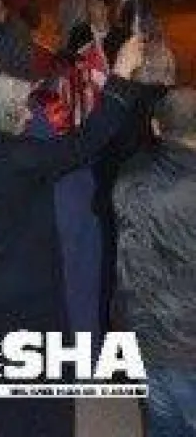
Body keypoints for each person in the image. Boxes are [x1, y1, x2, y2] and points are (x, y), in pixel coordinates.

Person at [0, 38, 144, 437]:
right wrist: (120, 77)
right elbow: (91, 139)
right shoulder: (27, 157)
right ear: (3, 117)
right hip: (25, 296)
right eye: (19, 109)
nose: (25, 115)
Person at [114, 87, 196, 437]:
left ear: (156, 127)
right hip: (186, 334)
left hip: (148, 330)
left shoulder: (129, 174)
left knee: (164, 424)